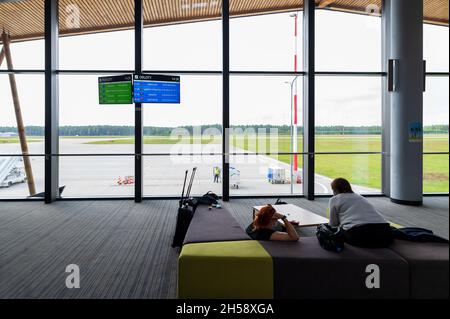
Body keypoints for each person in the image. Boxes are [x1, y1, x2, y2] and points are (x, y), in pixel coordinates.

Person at [328, 178, 393, 248]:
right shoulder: (360, 197)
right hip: (386, 233)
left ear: (335, 190)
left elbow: (333, 224)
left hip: (359, 234)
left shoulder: (334, 199)